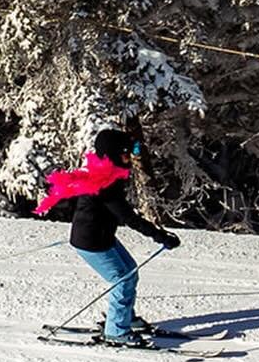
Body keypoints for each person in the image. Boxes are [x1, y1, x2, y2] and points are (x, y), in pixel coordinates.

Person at [39, 128, 180, 347]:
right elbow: (129, 218)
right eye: (127, 151)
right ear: (114, 153)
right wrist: (161, 236)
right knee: (122, 280)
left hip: (101, 236)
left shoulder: (106, 176)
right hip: (92, 241)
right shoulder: (105, 186)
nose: (130, 156)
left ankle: (125, 319)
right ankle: (116, 331)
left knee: (130, 271)